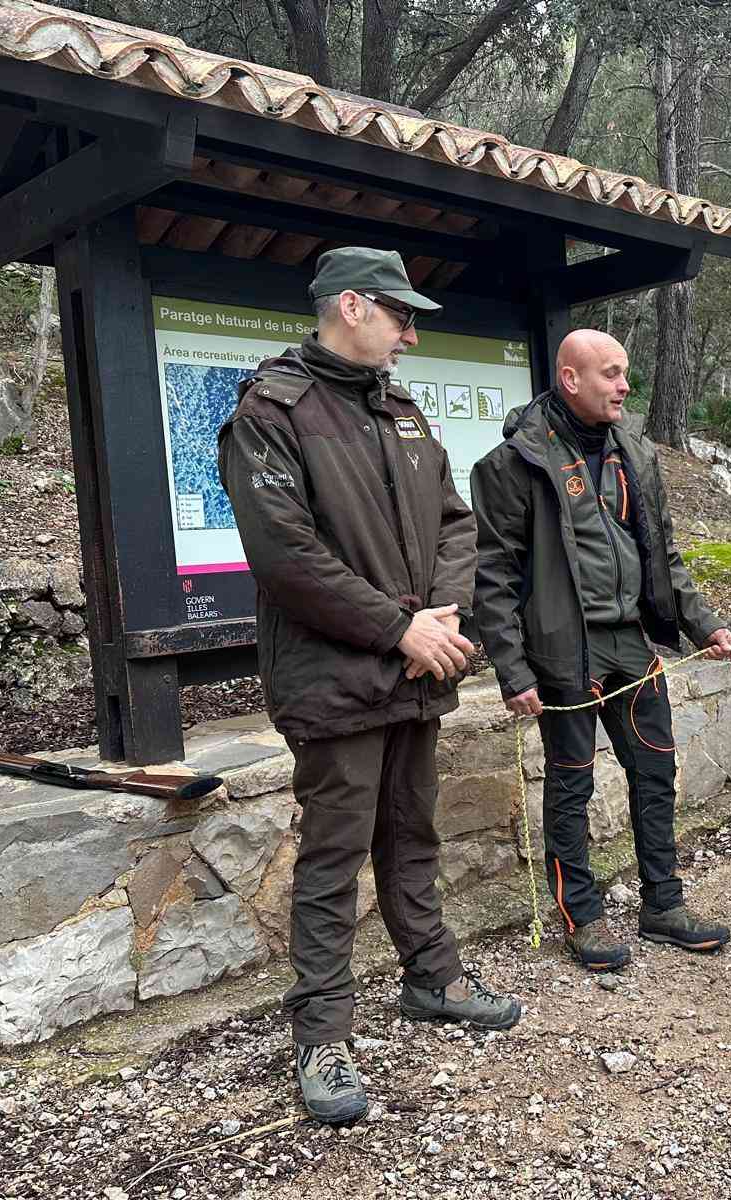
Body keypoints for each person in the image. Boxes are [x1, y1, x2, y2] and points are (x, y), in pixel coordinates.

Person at [218, 247, 522, 1125]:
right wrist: (399, 627)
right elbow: (286, 557)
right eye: (399, 314)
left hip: (417, 671)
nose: (411, 331)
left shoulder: (402, 409)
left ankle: (433, 981)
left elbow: (456, 524)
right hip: (336, 679)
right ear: (351, 306)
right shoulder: (272, 412)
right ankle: (322, 1036)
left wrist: (446, 617)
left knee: (412, 835)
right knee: (332, 859)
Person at [471, 329, 731, 972]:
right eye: (611, 374)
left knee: (656, 771)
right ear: (571, 379)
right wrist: (513, 671)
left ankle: (663, 905)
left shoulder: (634, 453)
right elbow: (493, 578)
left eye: (625, 374)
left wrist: (702, 625)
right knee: (571, 784)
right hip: (564, 649)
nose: (625, 386)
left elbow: (663, 553)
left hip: (630, 641)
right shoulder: (514, 464)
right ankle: (582, 917)